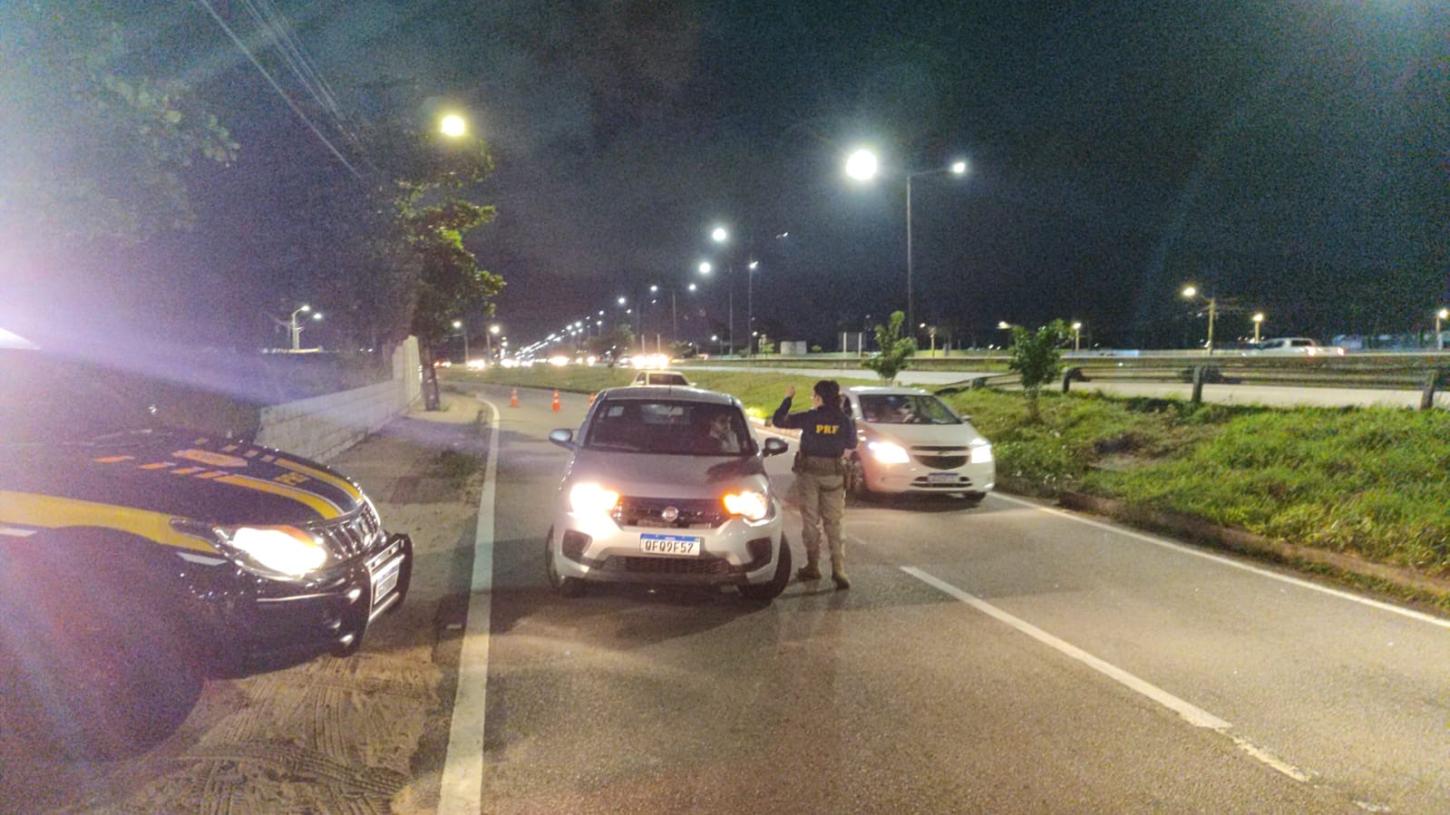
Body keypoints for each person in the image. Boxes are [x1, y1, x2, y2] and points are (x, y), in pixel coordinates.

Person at [771, 380, 857, 589]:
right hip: (834, 475)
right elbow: (851, 444)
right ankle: (839, 569)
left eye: (813, 395)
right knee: (834, 522)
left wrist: (788, 398)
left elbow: (778, 421)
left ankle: (813, 565)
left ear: (819, 397)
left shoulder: (810, 417)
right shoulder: (844, 420)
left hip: (809, 474)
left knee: (811, 521)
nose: (812, 399)